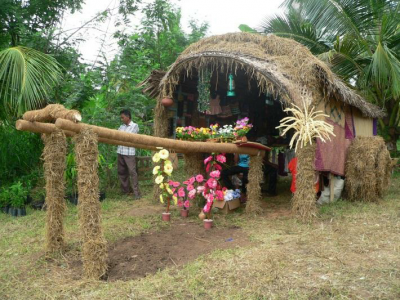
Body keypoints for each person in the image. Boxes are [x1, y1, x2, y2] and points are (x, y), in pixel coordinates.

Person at [117, 109, 141, 199]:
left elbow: (129, 137)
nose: (122, 119)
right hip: (120, 151)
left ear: (128, 117)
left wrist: (120, 136)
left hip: (129, 152)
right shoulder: (121, 126)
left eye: (123, 117)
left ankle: (136, 193)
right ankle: (126, 191)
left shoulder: (134, 126)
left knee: (132, 172)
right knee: (121, 172)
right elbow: (117, 135)